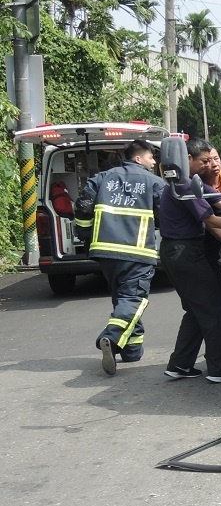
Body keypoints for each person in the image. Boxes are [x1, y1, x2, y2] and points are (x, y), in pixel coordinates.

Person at [158, 138, 221, 383]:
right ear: (187, 160)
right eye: (203, 161)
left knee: (196, 311)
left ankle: (180, 364)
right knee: (212, 310)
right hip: (184, 252)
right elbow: (211, 219)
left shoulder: (192, 183)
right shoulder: (185, 185)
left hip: (178, 252)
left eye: (212, 160)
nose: (210, 165)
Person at [74, 139, 166, 375]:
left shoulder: (102, 178)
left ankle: (132, 351)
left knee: (122, 298)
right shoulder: (154, 182)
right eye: (151, 157)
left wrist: (85, 235)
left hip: (105, 251)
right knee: (133, 299)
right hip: (137, 252)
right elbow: (168, 214)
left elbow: (83, 206)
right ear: (138, 158)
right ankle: (110, 338)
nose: (154, 161)